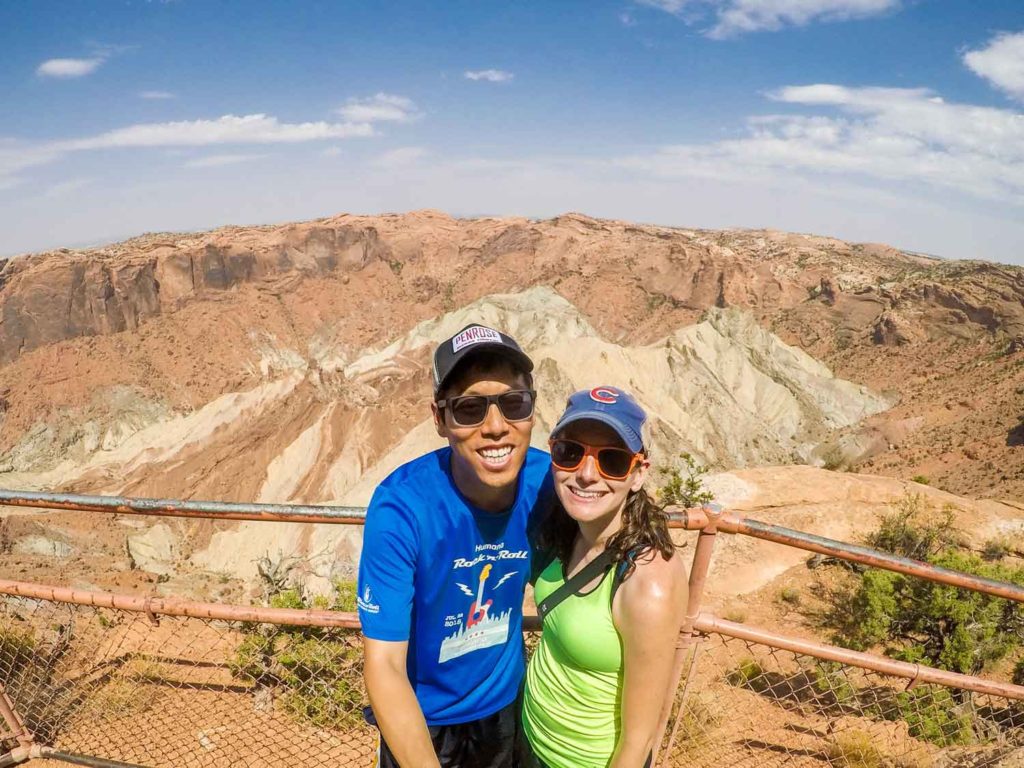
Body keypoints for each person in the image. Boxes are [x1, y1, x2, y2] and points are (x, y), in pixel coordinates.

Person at [358, 324, 552, 768]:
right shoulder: (403, 508)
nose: (496, 427)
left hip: (507, 709)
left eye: (513, 404)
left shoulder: (549, 485)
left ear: (532, 412)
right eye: (469, 409)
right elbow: (384, 664)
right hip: (422, 719)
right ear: (440, 418)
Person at [522, 386, 689, 768]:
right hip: (530, 742)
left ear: (638, 474)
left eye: (611, 461)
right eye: (570, 452)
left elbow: (638, 740)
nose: (585, 474)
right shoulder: (568, 531)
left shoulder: (648, 585)